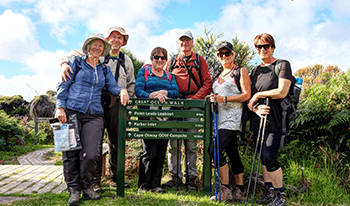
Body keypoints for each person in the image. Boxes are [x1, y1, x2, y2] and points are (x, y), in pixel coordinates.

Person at [55, 33, 129, 206]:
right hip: (72, 111)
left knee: (91, 154)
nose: (97, 48)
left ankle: (87, 185)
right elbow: (63, 85)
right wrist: (60, 107)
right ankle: (74, 189)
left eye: (100, 46)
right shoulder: (76, 63)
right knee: (70, 153)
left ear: (104, 50)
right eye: (94, 45)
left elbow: (112, 86)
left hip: (94, 114)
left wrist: (122, 91)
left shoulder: (104, 69)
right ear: (88, 47)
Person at [161, 30, 212, 190]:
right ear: (178, 43)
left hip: (193, 105)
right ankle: (175, 176)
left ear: (192, 42)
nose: (185, 43)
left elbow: (207, 83)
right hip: (175, 104)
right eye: (182, 40)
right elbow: (164, 79)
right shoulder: (172, 60)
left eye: (187, 40)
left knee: (191, 142)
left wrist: (195, 99)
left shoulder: (200, 60)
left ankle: (191, 178)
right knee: (174, 141)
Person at [247, 33, 293, 206]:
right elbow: (249, 99)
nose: (262, 49)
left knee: (269, 157)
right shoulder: (255, 71)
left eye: (266, 46)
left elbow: (282, 91)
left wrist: (259, 94)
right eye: (258, 47)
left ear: (272, 47)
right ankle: (269, 191)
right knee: (262, 158)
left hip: (276, 119)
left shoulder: (282, 65)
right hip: (259, 120)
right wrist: (256, 107)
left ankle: (280, 196)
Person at [208, 41, 251, 202]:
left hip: (233, 121)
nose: (224, 56)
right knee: (233, 154)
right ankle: (239, 191)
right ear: (218, 56)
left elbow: (246, 95)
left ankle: (225, 190)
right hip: (218, 121)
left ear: (233, 54)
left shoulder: (240, 72)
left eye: (227, 53)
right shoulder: (218, 76)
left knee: (214, 150)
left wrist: (223, 99)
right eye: (221, 54)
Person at [135, 47, 179, 194]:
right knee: (149, 151)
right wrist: (151, 95)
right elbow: (138, 90)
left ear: (166, 60)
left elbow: (176, 92)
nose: (159, 60)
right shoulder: (144, 72)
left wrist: (165, 92)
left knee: (161, 151)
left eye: (162, 58)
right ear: (151, 58)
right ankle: (143, 185)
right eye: (156, 57)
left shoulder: (170, 76)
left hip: (165, 117)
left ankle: (156, 184)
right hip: (147, 116)